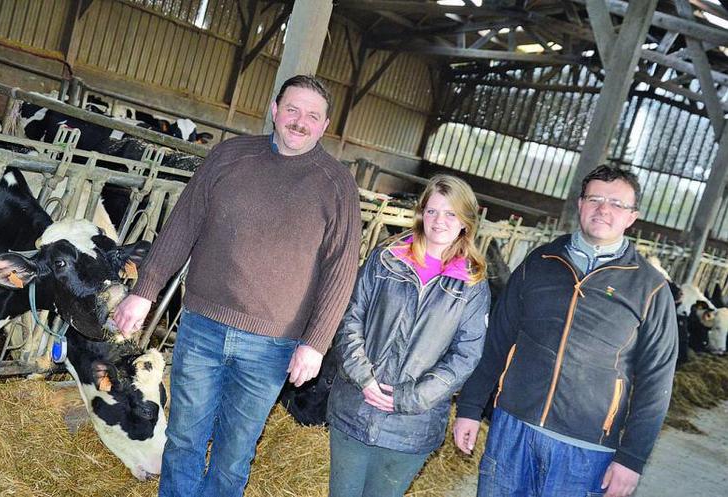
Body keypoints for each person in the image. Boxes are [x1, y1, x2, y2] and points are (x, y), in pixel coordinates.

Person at [112, 75, 361, 497]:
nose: (300, 122)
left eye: (312, 116)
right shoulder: (229, 156)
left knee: (234, 453)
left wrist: (316, 343)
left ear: (325, 125)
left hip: (273, 344)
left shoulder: (337, 186)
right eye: (293, 110)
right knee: (184, 440)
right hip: (202, 325)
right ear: (274, 108)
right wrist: (143, 291)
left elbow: (340, 271)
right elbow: (182, 224)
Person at [453, 165, 678, 497]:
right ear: (580, 204)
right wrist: (470, 407)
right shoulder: (540, 262)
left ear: (632, 217)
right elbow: (497, 340)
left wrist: (631, 459)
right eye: (595, 198)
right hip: (512, 429)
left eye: (617, 203)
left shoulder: (650, 289)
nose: (603, 209)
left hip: (587, 451)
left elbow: (656, 383)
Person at [327, 174, 491, 497]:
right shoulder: (386, 258)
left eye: (450, 213)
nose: (439, 221)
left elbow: (465, 357)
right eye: (431, 211)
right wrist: (364, 378)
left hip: (412, 427)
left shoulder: (472, 285)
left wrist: (407, 397)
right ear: (421, 214)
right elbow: (350, 316)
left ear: (465, 222)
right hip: (355, 408)